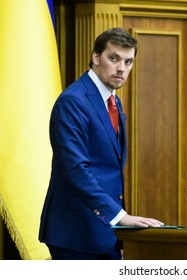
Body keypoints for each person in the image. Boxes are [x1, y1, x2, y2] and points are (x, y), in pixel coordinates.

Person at [39, 28, 164, 260]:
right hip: (76, 233)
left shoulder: (112, 100)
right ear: (96, 57)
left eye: (129, 62)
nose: (121, 69)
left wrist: (118, 228)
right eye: (114, 58)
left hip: (105, 232)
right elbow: (75, 169)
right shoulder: (73, 101)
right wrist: (120, 217)